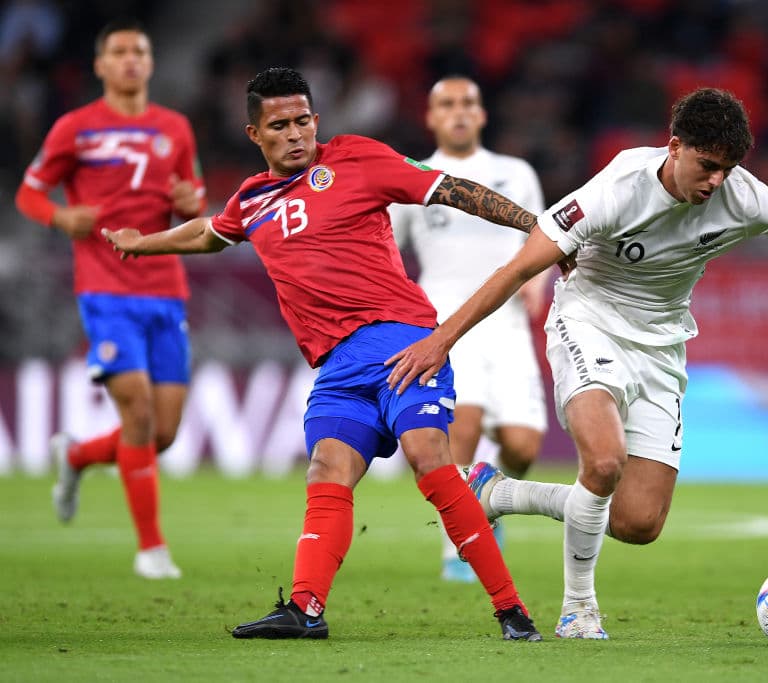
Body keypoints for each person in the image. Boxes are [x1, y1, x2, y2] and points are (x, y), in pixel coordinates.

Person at [385, 88, 768, 639]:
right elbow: (518, 268)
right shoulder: (615, 189)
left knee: (639, 523)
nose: (715, 181)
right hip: (588, 321)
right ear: (674, 146)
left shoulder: (744, 195)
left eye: (727, 168)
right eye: (707, 165)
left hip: (662, 346)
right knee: (604, 461)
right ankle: (579, 610)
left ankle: (497, 491)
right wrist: (441, 340)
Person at [103, 67, 542, 641]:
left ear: (316, 120)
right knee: (326, 470)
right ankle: (306, 608)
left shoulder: (357, 157)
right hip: (336, 368)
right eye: (278, 125)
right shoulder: (251, 199)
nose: (294, 134)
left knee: (429, 457)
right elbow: (209, 233)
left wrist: (539, 229)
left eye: (302, 121)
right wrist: (143, 244)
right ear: (254, 134)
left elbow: (450, 189)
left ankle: (511, 610)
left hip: (401, 345)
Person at [15, 19, 206, 580]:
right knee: (138, 413)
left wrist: (189, 200)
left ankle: (76, 456)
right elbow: (28, 192)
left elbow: (194, 200)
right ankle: (152, 549)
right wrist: (60, 217)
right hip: (104, 289)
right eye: (119, 51)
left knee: (162, 433)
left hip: (166, 290)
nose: (130, 59)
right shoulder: (75, 127)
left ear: (150, 62)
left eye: (139, 50)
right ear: (100, 65)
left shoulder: (175, 127)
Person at [388, 76, 550, 583]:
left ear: (481, 115)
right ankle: (456, 544)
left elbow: (543, 235)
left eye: (467, 104)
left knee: (523, 445)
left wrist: (537, 282)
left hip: (507, 324)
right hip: (445, 324)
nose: (458, 112)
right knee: (463, 426)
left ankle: (487, 497)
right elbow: (385, 250)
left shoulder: (515, 173)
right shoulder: (413, 179)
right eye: (447, 104)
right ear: (431, 117)